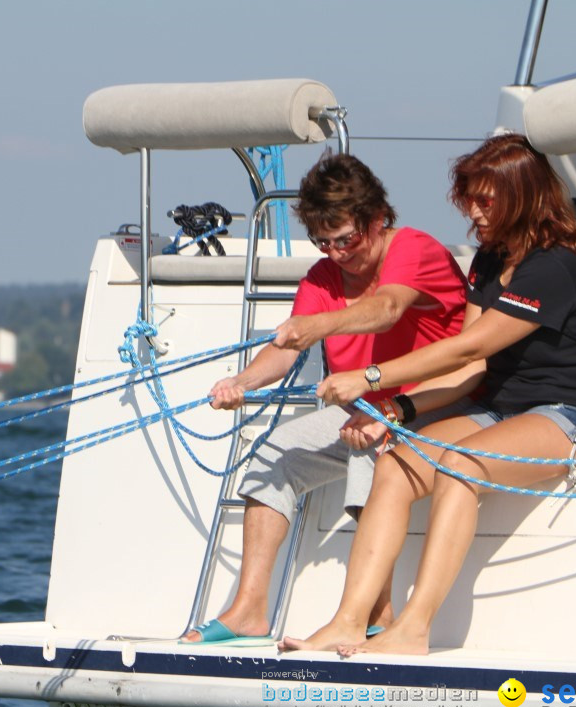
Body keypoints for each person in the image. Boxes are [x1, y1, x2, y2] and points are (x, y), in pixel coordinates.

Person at [279, 133, 576, 656]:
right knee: (394, 466)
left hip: (560, 417)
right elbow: (475, 363)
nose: (473, 213)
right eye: (469, 201)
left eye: (485, 201)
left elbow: (469, 346)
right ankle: (349, 620)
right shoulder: (490, 258)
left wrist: (370, 379)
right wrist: (398, 409)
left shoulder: (557, 263)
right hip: (494, 408)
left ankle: (413, 628)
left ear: (521, 194)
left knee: (461, 464)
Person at [181, 152, 471, 645]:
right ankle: (249, 608)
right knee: (275, 452)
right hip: (370, 409)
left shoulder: (413, 249)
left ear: (377, 219)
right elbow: (285, 347)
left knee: (364, 443)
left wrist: (317, 325)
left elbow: (386, 308)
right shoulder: (323, 277)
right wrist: (242, 384)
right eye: (323, 241)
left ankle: (374, 614)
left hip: (436, 401)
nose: (336, 253)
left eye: (346, 239)